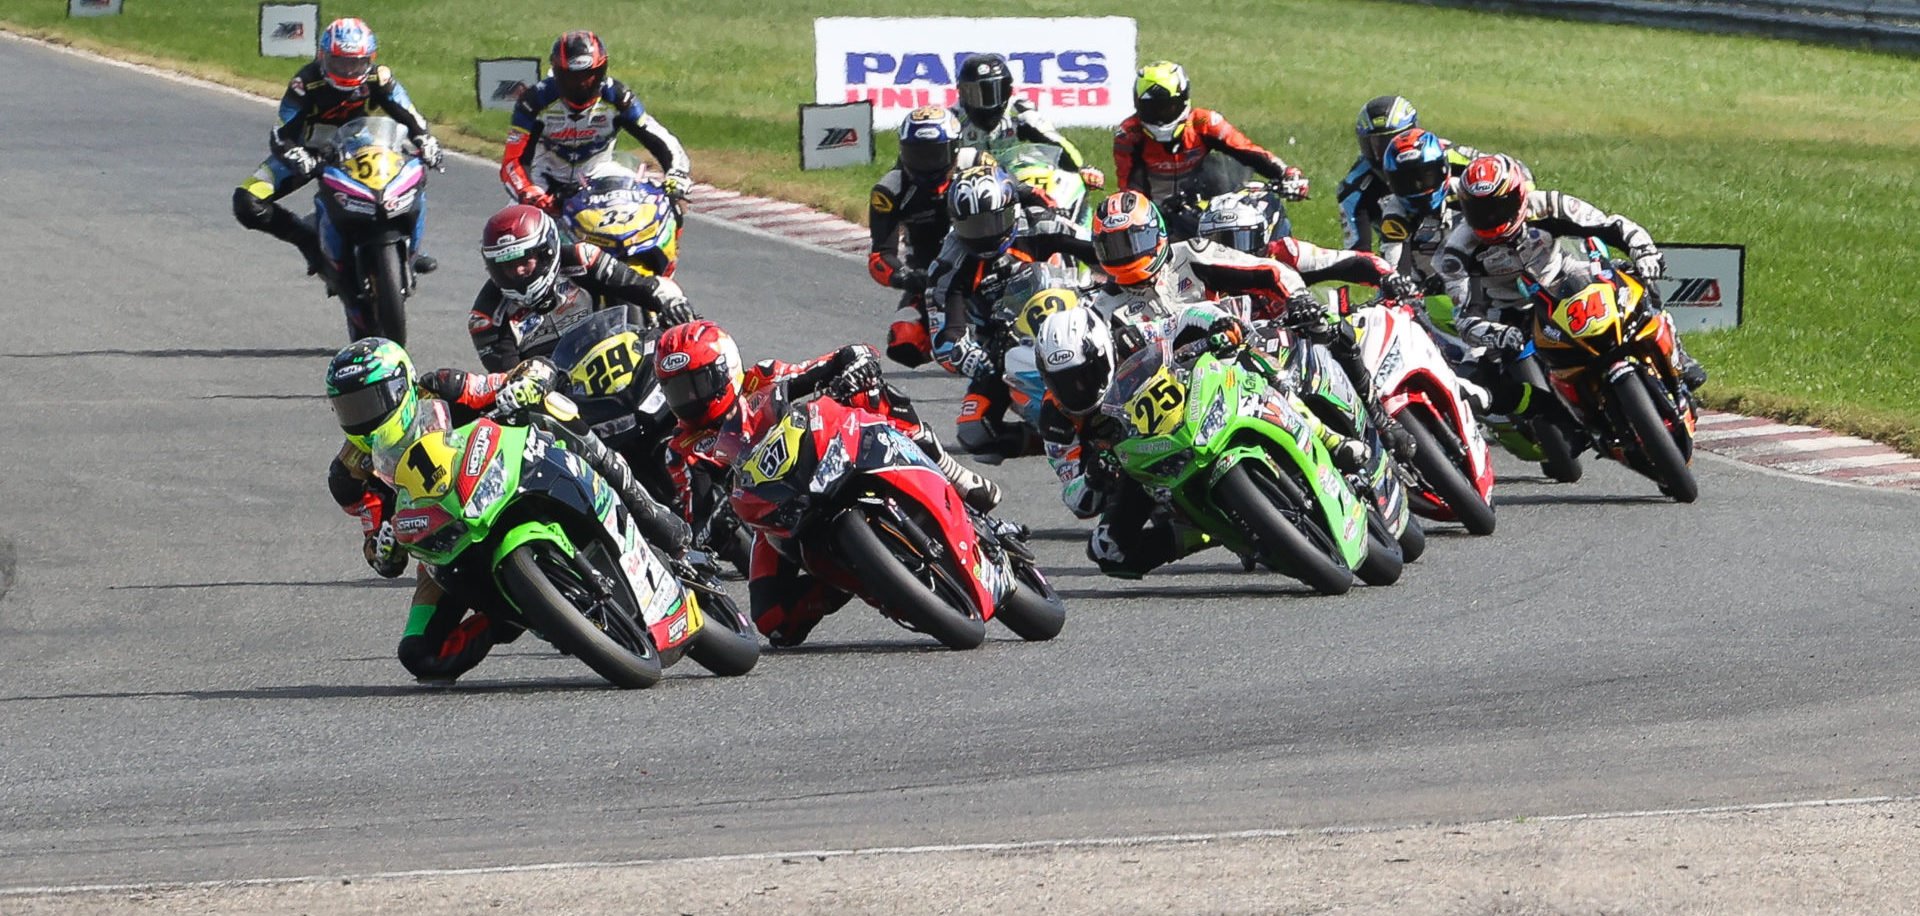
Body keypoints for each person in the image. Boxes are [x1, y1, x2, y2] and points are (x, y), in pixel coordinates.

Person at [323, 338, 689, 682]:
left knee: (553, 408)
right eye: (349, 409)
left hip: (507, 472)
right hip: (444, 539)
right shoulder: (349, 475)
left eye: (371, 401)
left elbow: (532, 371)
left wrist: (527, 383)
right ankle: (515, 614)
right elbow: (381, 554)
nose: (362, 418)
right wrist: (382, 547)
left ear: (402, 385)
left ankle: (646, 510)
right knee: (419, 655)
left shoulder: (442, 387)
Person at [652, 321, 1003, 647]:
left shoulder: (763, 377)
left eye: (696, 384)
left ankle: (950, 472)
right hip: (775, 512)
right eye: (676, 389)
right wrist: (713, 525)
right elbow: (693, 513)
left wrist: (852, 366)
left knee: (873, 393)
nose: (688, 398)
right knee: (773, 621)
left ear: (725, 371)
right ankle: (857, 575)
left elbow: (831, 362)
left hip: (826, 454)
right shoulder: (682, 449)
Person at [1031, 305, 1366, 579]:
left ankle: (1327, 437)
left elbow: (1184, 318)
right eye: (1063, 382)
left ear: (1104, 351)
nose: (1077, 389)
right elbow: (1074, 496)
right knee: (1108, 550)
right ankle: (1212, 532)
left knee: (1248, 355)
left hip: (1192, 410)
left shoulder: (1129, 338)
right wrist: (1093, 476)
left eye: (1084, 374)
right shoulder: (1055, 421)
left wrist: (1217, 323)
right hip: (1141, 469)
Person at [1090, 192, 1414, 459]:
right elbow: (1102, 378)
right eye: (1115, 248)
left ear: (1157, 234)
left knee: (1317, 336)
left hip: (1232, 355)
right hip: (1173, 399)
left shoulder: (1191, 254)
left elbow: (1269, 270)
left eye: (1134, 242)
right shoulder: (1102, 310)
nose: (1127, 255)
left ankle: (1348, 430)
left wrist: (1298, 298)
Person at [1433, 153, 1707, 411]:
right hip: (1508, 309)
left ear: (1518, 196)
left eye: (1497, 207)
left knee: (1630, 277)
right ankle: (1551, 419)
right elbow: (1465, 315)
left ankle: (1679, 356)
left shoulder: (1547, 205)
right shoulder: (1457, 252)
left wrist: (1644, 251)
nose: (1490, 218)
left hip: (1563, 278)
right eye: (1479, 210)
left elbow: (1611, 225)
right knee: (1485, 378)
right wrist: (1496, 333)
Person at [233, 18, 444, 276]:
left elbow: (411, 115)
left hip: (362, 147)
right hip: (308, 153)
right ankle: (308, 239)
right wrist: (298, 156)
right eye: (340, 61)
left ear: (370, 59)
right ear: (323, 57)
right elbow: (280, 135)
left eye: (356, 62)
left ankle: (409, 249)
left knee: (412, 176)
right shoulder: (305, 83)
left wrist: (426, 140)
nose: (348, 70)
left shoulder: (379, 78)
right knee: (246, 201)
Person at [926, 165, 1097, 460]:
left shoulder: (1038, 223)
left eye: (993, 222)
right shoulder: (951, 264)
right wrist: (970, 357)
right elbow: (945, 333)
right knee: (974, 431)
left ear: (1010, 210)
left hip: (1070, 317)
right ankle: (1046, 441)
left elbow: (1096, 249)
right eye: (974, 226)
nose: (985, 235)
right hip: (1001, 349)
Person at [469, 203, 694, 371]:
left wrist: (673, 304)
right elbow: (509, 376)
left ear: (545, 251)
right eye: (506, 266)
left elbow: (643, 286)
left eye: (523, 261)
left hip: (615, 362)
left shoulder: (581, 258)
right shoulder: (486, 318)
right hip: (554, 397)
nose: (517, 271)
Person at [1112, 61, 1307, 239]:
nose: (1159, 116)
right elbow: (1129, 186)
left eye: (1166, 107)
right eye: (1151, 109)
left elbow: (1246, 150)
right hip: (1156, 217)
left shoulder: (1203, 121)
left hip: (1204, 207)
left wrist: (1285, 173)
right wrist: (1150, 217)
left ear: (1182, 100)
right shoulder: (1129, 134)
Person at [501, 30, 692, 211]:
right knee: (511, 229)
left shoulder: (618, 98)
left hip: (600, 180)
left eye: (588, 76)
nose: (581, 84)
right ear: (558, 73)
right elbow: (512, 161)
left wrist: (676, 178)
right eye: (572, 77)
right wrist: (528, 191)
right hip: (544, 182)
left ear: (601, 71)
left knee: (665, 211)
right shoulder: (534, 102)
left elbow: (662, 140)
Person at [1196, 183, 1420, 303]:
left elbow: (1354, 261)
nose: (1228, 251)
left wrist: (1388, 277)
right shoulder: (1193, 271)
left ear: (1261, 237)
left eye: (1236, 240)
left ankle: (1365, 389)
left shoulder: (1286, 254)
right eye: (1216, 241)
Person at [1335, 95, 1478, 251]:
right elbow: (1358, 255)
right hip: (1405, 252)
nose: (1391, 154)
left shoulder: (1441, 154)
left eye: (1396, 141)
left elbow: (1498, 175)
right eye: (1377, 146)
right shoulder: (1353, 189)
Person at [947, 53, 1105, 187]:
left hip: (1013, 180)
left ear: (1007, 90)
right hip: (968, 184)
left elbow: (1056, 141)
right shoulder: (952, 120)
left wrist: (1081, 169)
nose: (984, 102)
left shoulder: (1019, 113)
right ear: (961, 93)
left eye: (991, 93)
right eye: (974, 94)